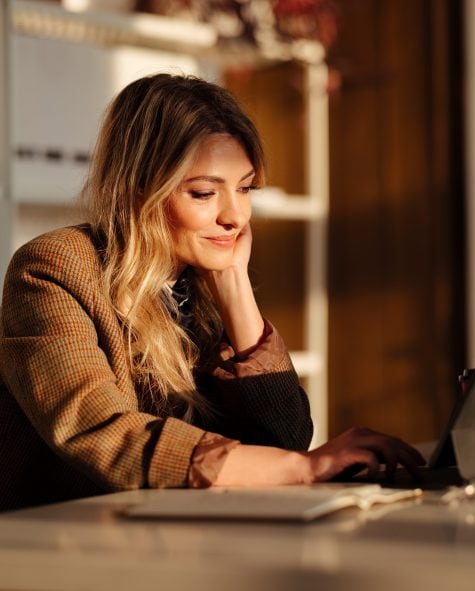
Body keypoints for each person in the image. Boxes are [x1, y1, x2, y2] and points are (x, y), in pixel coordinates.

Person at [0, 73, 424, 512]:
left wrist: (235, 284)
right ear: (138, 187)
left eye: (244, 189)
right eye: (204, 192)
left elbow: (285, 437)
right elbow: (101, 432)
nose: (235, 216)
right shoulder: (55, 267)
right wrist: (303, 468)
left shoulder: (199, 277)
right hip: (56, 542)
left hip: (169, 538)